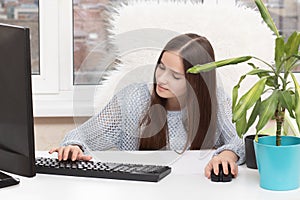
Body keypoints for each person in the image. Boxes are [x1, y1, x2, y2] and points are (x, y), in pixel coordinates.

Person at [49, 33, 245, 179]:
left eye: (175, 76)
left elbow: (239, 141)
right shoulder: (133, 97)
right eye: (161, 67)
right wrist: (74, 146)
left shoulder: (217, 101)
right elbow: (83, 135)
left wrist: (228, 154)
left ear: (197, 82)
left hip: (198, 190)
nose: (162, 79)